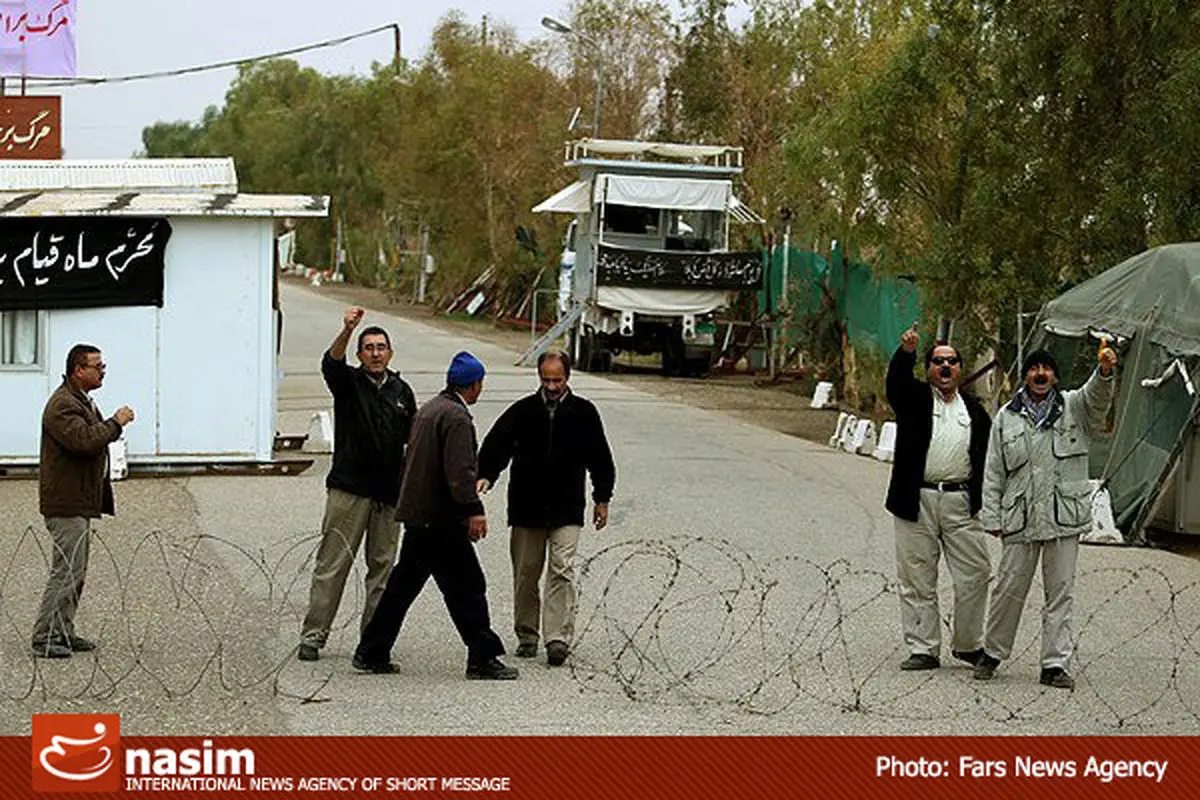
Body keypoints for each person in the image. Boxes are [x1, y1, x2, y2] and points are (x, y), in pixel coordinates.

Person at [353, 351, 517, 680]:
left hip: (418, 515)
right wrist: (474, 510)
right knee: (468, 586)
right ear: (473, 384)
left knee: (402, 587)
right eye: (480, 383)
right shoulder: (456, 418)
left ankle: (371, 650)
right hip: (441, 520)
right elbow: (459, 473)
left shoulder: (429, 410)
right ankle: (482, 657)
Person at [974, 345, 1117, 689]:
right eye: (1034, 368)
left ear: (1055, 375)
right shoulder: (1006, 417)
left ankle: (1054, 664)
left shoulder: (1075, 407)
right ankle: (992, 654)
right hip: (1019, 518)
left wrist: (1106, 371)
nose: (1040, 374)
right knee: (1008, 589)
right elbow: (993, 471)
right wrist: (992, 517)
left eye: (1047, 369)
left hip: (1063, 518)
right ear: (1025, 376)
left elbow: (1097, 398)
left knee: (1060, 593)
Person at [477, 350, 616, 666]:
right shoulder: (523, 412)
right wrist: (486, 474)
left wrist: (602, 498)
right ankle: (527, 634)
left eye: (558, 380)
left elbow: (600, 458)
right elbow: (497, 444)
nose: (552, 386)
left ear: (568, 378)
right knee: (527, 572)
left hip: (567, 507)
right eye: (546, 380)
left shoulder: (584, 413)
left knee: (562, 569)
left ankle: (557, 638)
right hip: (527, 507)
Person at [298, 307, 417, 661]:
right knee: (332, 565)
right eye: (369, 347)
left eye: (381, 347)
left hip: (388, 496)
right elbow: (330, 363)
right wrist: (347, 330)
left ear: (390, 353)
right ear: (360, 353)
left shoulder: (402, 391)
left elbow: (414, 440)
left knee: (381, 570)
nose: (376, 353)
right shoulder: (347, 382)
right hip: (349, 491)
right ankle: (314, 635)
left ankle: (372, 644)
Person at [885, 324, 993, 670]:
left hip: (960, 502)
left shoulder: (976, 412)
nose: (945, 368)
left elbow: (988, 459)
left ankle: (967, 644)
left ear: (960, 369)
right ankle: (923, 648)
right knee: (917, 576)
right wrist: (906, 353)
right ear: (928, 368)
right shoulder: (914, 399)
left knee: (976, 573)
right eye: (938, 362)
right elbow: (896, 384)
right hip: (917, 500)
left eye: (951, 362)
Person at [33, 345, 135, 659]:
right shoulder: (62, 405)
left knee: (76, 571)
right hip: (65, 503)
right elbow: (84, 441)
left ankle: (63, 630)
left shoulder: (80, 400)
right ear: (79, 369)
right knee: (66, 570)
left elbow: (91, 435)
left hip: (77, 500)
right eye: (97, 365)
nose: (102, 370)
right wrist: (117, 423)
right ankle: (45, 636)